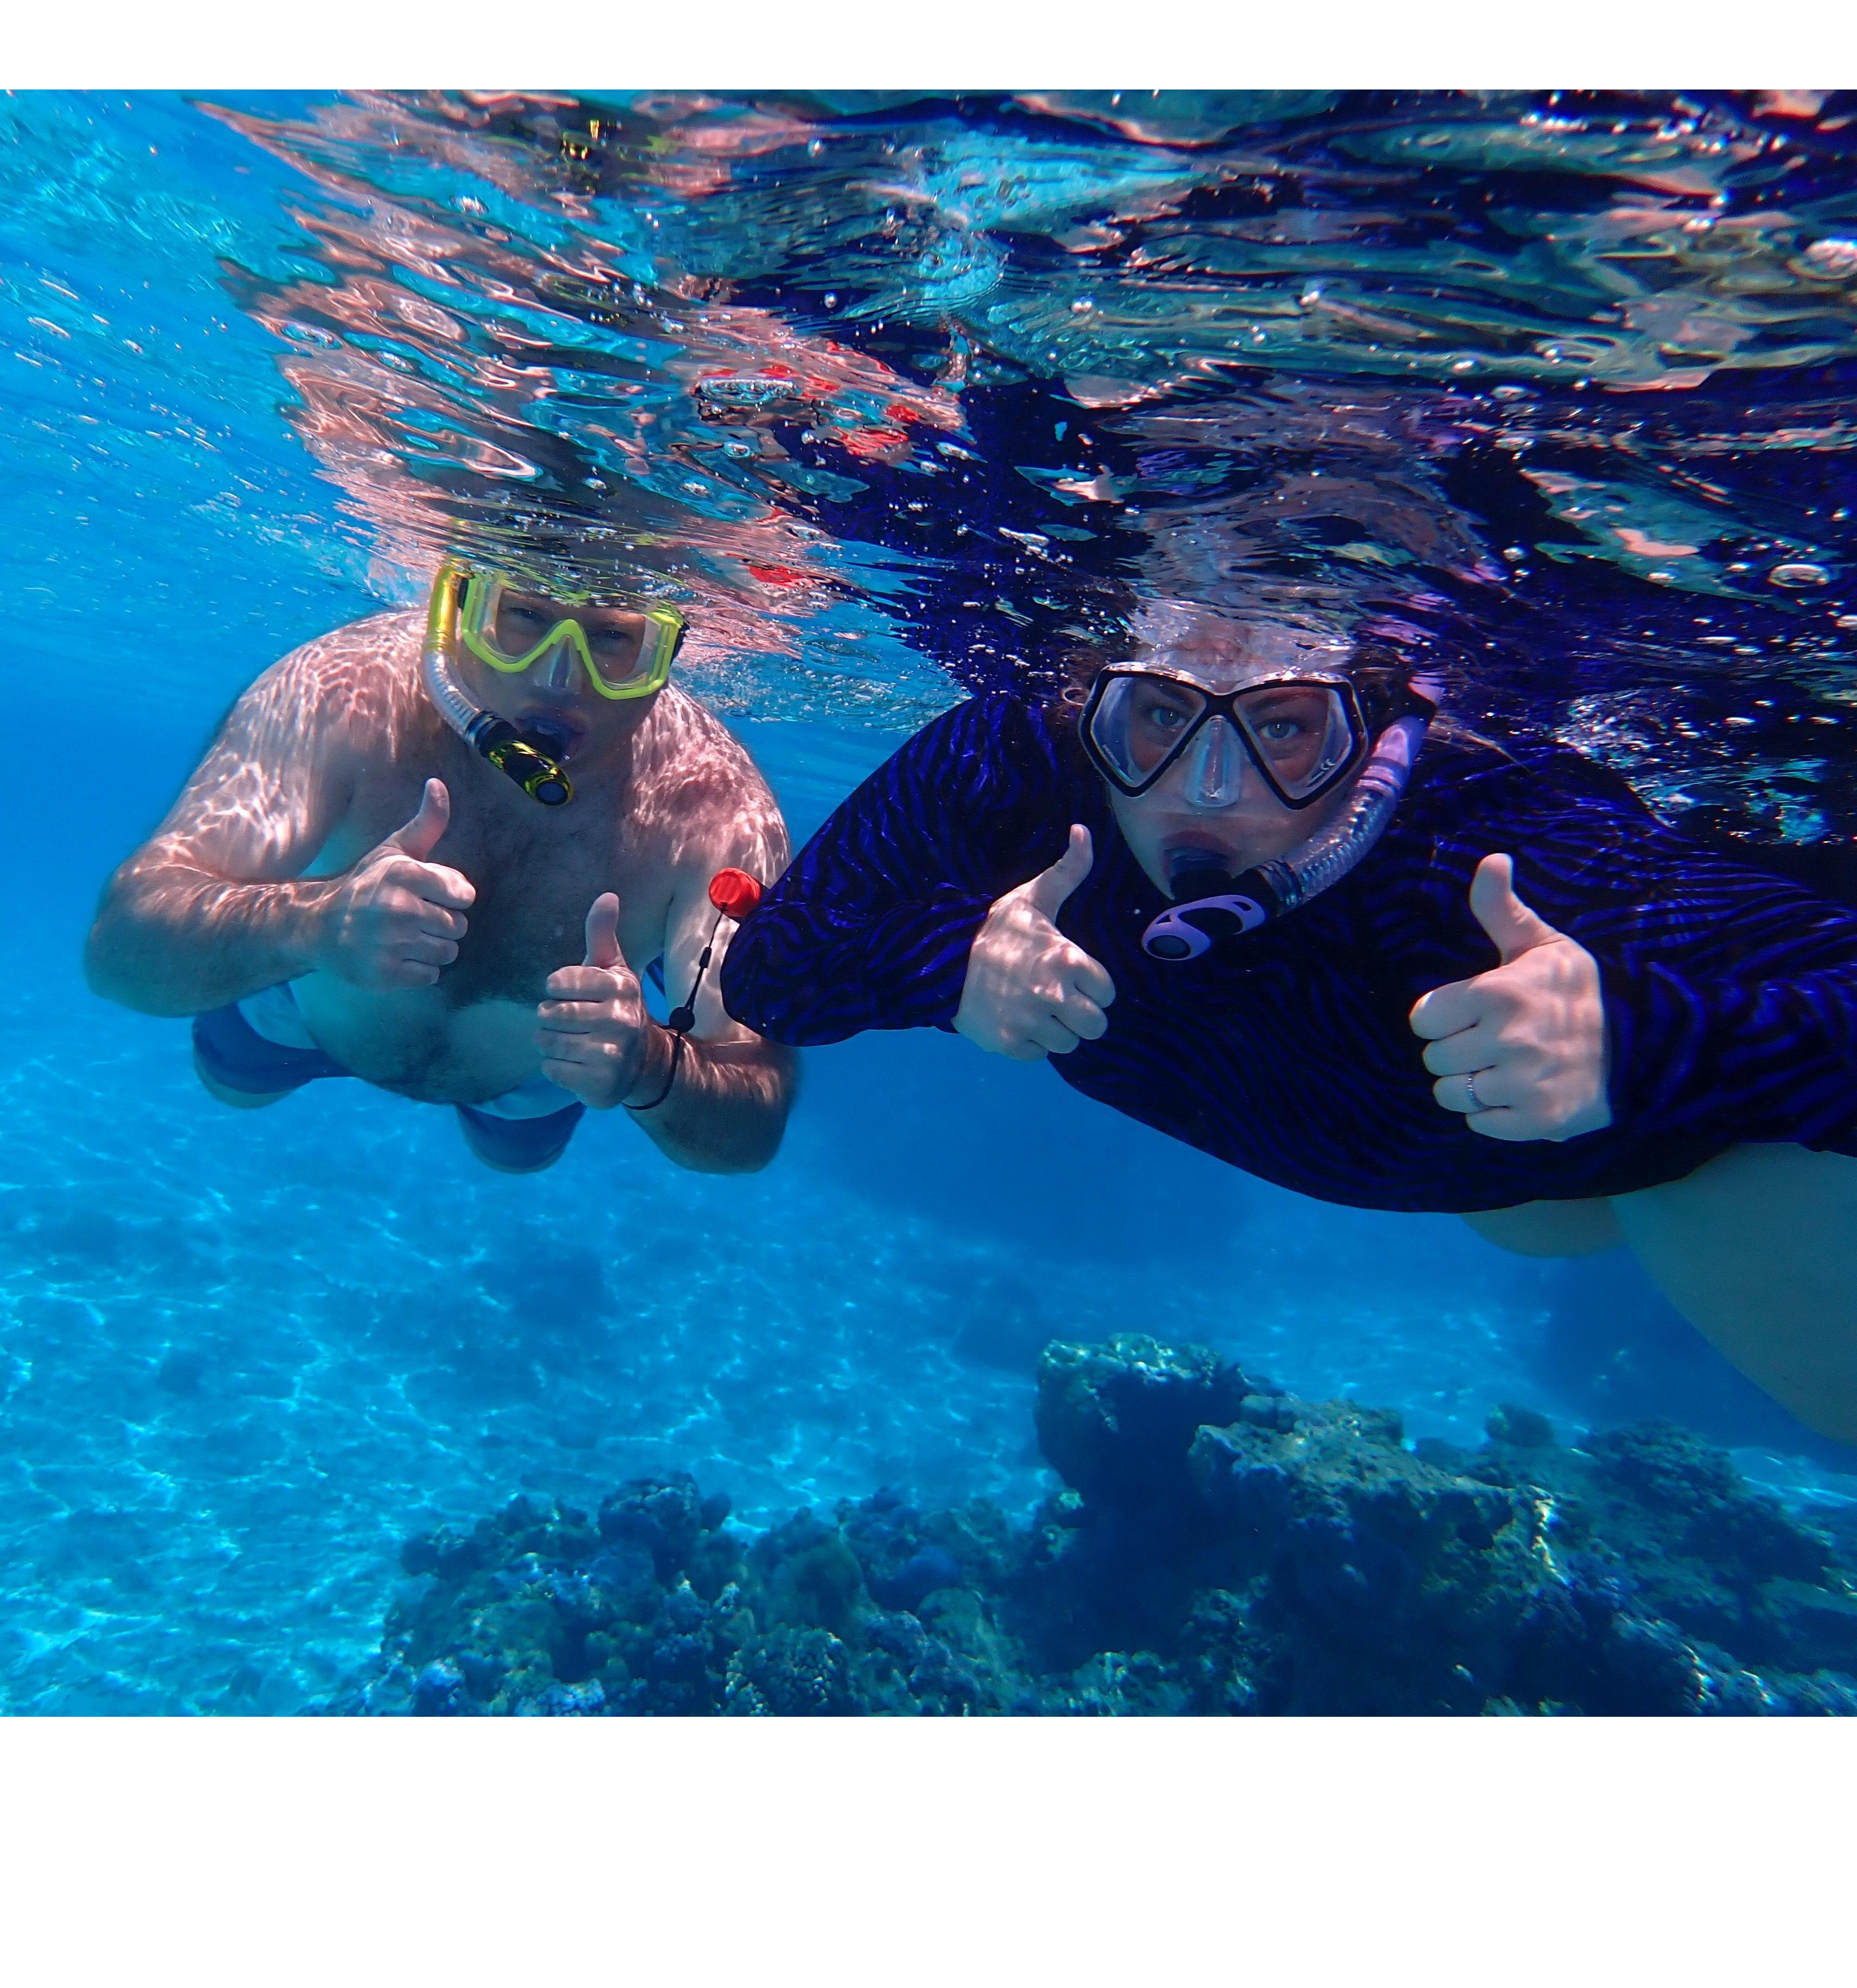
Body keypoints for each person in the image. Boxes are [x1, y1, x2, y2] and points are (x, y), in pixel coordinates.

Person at [720, 598, 1857, 1442]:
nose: (1208, 788)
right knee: (1532, 1219)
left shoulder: (1486, 838)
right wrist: (945, 964)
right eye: (1155, 715)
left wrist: (1640, 1039)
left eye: (1283, 727)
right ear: (1085, 702)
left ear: (1369, 730)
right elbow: (772, 974)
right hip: (1505, 1192)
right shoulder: (1014, 767)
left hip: (1686, 1160)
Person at [85, 557, 795, 1175]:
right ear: (458, 608)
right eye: (520, 616)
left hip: (537, 1073)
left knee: (515, 1162)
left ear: (667, 654)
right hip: (297, 1003)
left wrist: (650, 1068)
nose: (558, 679)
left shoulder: (714, 805)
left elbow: (753, 1125)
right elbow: (119, 950)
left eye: (613, 638)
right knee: (233, 1088)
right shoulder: (340, 690)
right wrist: (311, 924)